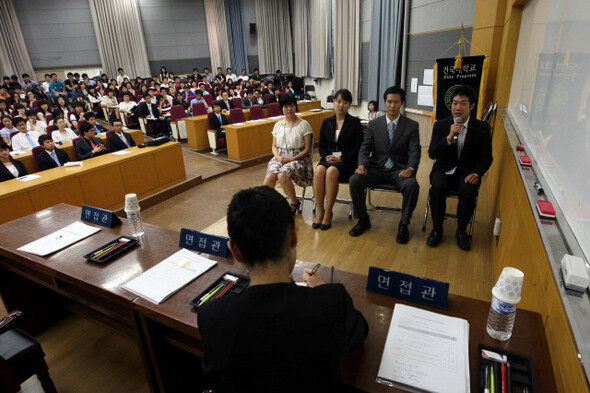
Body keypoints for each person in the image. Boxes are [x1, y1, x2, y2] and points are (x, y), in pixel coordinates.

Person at [198, 186, 368, 393]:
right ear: (294, 236)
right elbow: (360, 332)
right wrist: (322, 289)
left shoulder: (211, 316)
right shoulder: (332, 301)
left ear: (235, 252)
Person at [348, 86, 420, 244]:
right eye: (389, 101)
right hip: (377, 168)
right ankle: (363, 219)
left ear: (401, 103)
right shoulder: (374, 124)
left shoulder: (411, 126)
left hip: (399, 170)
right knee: (355, 180)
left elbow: (415, 151)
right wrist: (361, 164)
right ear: (384, 102)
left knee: (412, 186)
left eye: (396, 102)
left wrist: (410, 168)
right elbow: (365, 147)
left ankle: (404, 224)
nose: (392, 105)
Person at [426, 85, 493, 251]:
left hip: (467, 172)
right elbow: (432, 153)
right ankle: (437, 230)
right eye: (455, 103)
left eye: (463, 103)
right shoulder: (441, 125)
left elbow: (487, 157)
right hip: (443, 169)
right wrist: (448, 138)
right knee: (437, 188)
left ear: (471, 106)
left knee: (469, 191)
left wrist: (477, 173)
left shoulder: (482, 129)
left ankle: (462, 232)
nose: (458, 108)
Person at [313, 89, 363, 230]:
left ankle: (328, 213)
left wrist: (341, 158)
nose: (341, 105)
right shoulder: (326, 122)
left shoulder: (354, 123)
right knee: (319, 171)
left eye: (345, 102)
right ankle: (320, 210)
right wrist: (326, 156)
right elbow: (321, 145)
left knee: (331, 172)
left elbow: (358, 148)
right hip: (328, 158)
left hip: (346, 161)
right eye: (338, 101)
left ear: (349, 105)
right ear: (333, 101)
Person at [263, 94, 313, 214]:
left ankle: (295, 202)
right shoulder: (278, 125)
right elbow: (274, 146)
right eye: (285, 106)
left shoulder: (304, 124)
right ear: (281, 108)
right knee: (270, 177)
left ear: (295, 106)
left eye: (291, 105)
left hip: (298, 158)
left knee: (282, 175)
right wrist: (278, 157)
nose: (289, 109)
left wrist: (292, 158)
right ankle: (265, 205)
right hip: (279, 157)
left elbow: (307, 149)